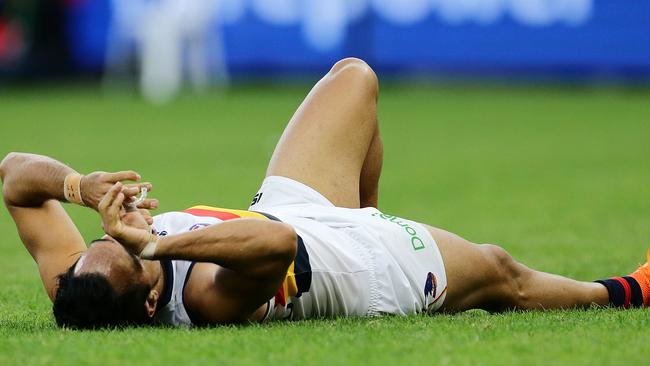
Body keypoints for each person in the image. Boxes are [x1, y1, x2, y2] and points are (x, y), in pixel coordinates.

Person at [1, 58, 648, 329]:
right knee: (503, 274)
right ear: (149, 301)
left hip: (293, 207)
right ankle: (625, 291)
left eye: (103, 239)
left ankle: (367, 210)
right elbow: (277, 244)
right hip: (352, 268)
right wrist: (159, 239)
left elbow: (12, 175)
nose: (122, 232)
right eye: (131, 253)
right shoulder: (201, 301)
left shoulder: (81, 280)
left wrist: (80, 187)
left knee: (354, 79)